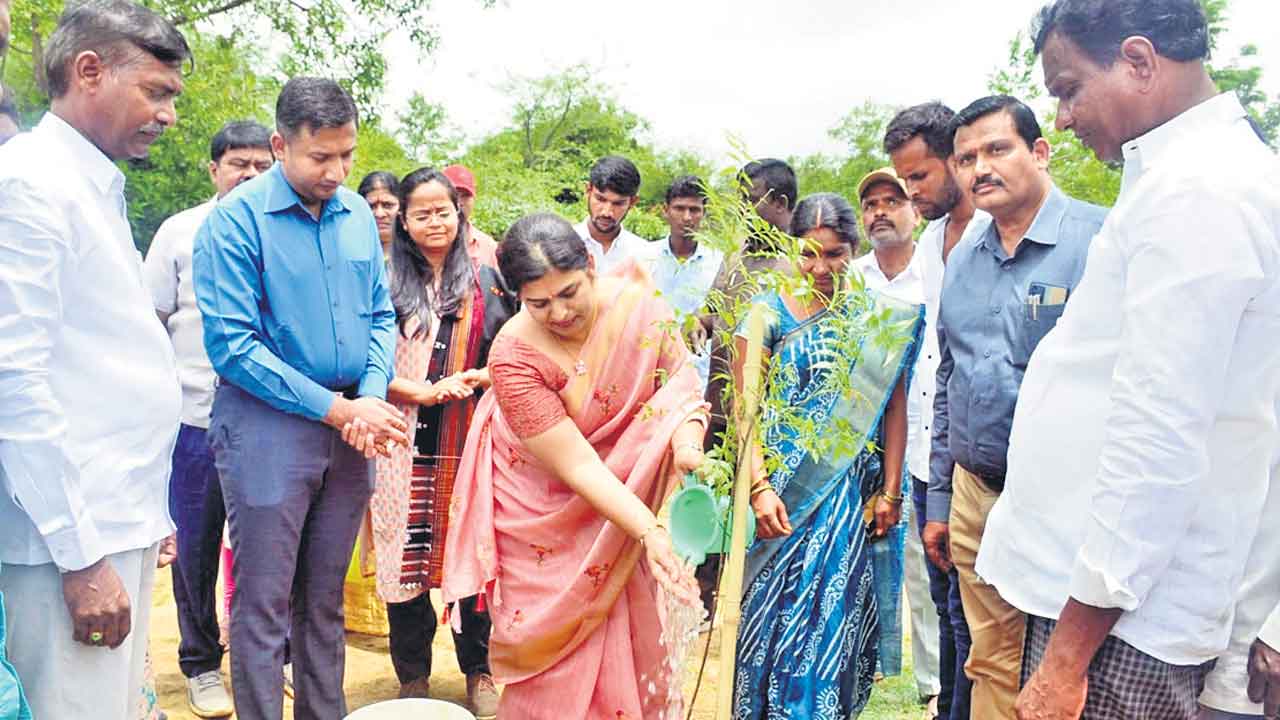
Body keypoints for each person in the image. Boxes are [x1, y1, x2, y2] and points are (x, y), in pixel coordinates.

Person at [973, 1, 1280, 718]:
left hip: (1119, 622)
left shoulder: (1199, 192)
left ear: (1139, 61)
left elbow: (1157, 441)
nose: (1065, 118)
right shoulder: (1186, 176)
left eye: (1069, 88)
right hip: (1109, 604)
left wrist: (1067, 660)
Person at [192, 77, 408, 720]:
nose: (337, 172)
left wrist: (367, 397)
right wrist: (340, 410)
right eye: (321, 157)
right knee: (262, 603)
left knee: (323, 601)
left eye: (347, 154)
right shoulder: (234, 223)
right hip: (266, 429)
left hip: (350, 427)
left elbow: (379, 315)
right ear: (281, 144)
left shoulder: (356, 220)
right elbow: (233, 346)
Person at [0, 2, 188, 718]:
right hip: (65, 543)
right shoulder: (30, 183)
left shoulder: (89, 183)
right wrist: (79, 558)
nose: (167, 114)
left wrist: (149, 510)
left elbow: (101, 363)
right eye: (156, 91)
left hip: (111, 516)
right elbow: (14, 379)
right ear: (88, 71)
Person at [440, 213, 705, 719]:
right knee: (552, 657)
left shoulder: (639, 307)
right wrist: (647, 531)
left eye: (570, 292)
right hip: (537, 510)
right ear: (515, 296)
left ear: (590, 265)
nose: (560, 313)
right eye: (538, 303)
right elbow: (579, 466)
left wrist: (687, 446)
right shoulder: (513, 356)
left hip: (624, 500)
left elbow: (681, 389)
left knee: (623, 634)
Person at [927, 94, 1107, 719]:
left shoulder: (1101, 242)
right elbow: (950, 378)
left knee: (1076, 669)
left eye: (996, 149)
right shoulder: (964, 260)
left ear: (1039, 151)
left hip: (1069, 501)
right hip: (979, 494)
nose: (980, 168)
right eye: (966, 157)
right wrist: (941, 501)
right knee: (990, 661)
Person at [733, 192, 923, 719]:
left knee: (829, 620)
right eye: (808, 253)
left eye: (835, 254)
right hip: (779, 494)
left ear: (853, 249)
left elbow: (893, 407)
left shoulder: (875, 316)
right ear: (791, 248)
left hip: (844, 498)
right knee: (765, 616)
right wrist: (758, 485)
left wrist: (889, 491)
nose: (820, 267)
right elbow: (745, 408)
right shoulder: (765, 312)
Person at [361, 168, 514, 718]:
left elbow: (514, 347)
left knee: (471, 557)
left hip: (472, 440)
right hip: (400, 438)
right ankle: (414, 679)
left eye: (442, 211)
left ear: (459, 212)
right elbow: (364, 362)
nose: (434, 222)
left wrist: (486, 377)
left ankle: (479, 670)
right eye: (421, 213)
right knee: (406, 566)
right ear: (403, 219)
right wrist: (420, 391)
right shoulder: (381, 279)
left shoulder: (488, 278)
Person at [142, 119, 273, 718]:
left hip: (269, 422)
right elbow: (148, 325)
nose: (248, 176)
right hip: (193, 421)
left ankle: (270, 659)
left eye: (259, 166)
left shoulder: (286, 229)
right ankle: (199, 663)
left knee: (271, 547)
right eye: (237, 164)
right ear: (213, 168)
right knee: (196, 547)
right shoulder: (179, 231)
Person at [885, 100, 988, 720]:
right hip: (929, 452)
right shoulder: (929, 241)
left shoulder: (995, 235)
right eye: (903, 179)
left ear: (955, 159)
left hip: (976, 459)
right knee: (947, 603)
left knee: (978, 614)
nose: (910, 192)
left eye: (919, 177)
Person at [852, 168, 924, 692]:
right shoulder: (850, 278)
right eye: (871, 203)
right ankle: (863, 660)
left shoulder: (942, 269)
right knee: (869, 562)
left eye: (891, 200)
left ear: (915, 210)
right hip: (864, 444)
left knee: (927, 567)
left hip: (935, 436)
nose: (880, 211)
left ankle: (933, 686)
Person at [640, 174, 723, 389]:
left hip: (699, 376)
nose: (687, 217)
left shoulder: (720, 264)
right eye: (679, 208)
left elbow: (723, 316)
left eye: (694, 210)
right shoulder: (644, 258)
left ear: (704, 213)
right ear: (665, 210)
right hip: (648, 372)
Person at [574, 155, 648, 272]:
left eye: (618, 203)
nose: (607, 212)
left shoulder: (643, 254)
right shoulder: (563, 244)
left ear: (633, 202)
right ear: (588, 190)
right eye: (600, 199)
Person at [443, 163, 500, 268]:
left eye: (465, 196)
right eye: (454, 195)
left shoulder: (488, 247)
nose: (459, 202)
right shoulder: (424, 244)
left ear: (474, 200)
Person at [358, 170, 400, 264]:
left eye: (387, 205)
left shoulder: (418, 255)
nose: (379, 214)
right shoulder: (352, 255)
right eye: (371, 206)